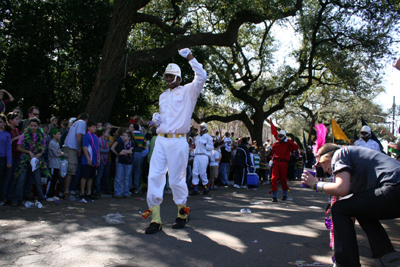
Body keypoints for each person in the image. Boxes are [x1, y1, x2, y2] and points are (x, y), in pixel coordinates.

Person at [302, 144, 400, 267]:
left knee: (339, 208)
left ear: (327, 159)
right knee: (361, 209)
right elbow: (351, 205)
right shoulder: (354, 164)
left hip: (394, 187)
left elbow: (341, 188)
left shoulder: (340, 154)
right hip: (394, 191)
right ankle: (389, 260)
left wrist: (316, 185)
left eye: (322, 166)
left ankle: (345, 264)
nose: (327, 171)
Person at [143, 48, 207, 234]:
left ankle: (181, 213)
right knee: (154, 176)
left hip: (179, 141)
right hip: (161, 140)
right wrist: (158, 120)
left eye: (172, 76)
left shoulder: (189, 91)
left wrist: (189, 56)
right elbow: (166, 118)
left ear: (179, 77)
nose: (168, 79)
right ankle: (155, 218)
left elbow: (201, 76)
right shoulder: (163, 95)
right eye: (166, 77)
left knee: (176, 180)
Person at [13, 118, 51, 206]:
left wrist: (39, 154)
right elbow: (18, 147)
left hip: (36, 160)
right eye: (31, 126)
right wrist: (28, 152)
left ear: (38, 126)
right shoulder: (25, 134)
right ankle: (17, 199)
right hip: (25, 160)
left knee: (37, 180)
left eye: (35, 126)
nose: (33, 127)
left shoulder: (41, 136)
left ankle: (41, 198)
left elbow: (42, 149)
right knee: (21, 180)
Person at [62, 113, 88, 200]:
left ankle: (66, 190)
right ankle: (66, 192)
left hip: (68, 147)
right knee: (70, 169)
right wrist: (80, 148)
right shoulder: (82, 123)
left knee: (69, 169)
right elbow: (78, 135)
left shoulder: (75, 123)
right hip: (72, 148)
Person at [270, 130, 299, 202]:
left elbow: (296, 147)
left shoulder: (288, 144)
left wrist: (288, 141)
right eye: (279, 136)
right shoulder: (275, 145)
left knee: (283, 179)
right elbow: (272, 154)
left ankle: (284, 194)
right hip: (276, 162)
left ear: (284, 136)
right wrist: (271, 160)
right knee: (273, 179)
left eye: (282, 136)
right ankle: (274, 196)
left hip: (284, 163)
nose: (280, 137)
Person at [79, 121, 99, 202]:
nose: (94, 128)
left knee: (91, 177)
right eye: (93, 127)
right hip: (87, 160)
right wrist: (88, 158)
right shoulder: (87, 137)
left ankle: (89, 193)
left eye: (95, 127)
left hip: (94, 160)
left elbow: (97, 148)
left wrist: (98, 158)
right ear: (88, 128)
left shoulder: (96, 136)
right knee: (84, 176)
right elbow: (85, 148)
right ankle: (82, 193)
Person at [191, 123, 213, 195]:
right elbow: (196, 147)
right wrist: (193, 152)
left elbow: (210, 147)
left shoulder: (208, 137)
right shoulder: (197, 137)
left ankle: (206, 186)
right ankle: (195, 188)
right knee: (194, 172)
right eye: (200, 127)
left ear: (205, 128)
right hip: (197, 155)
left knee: (202, 172)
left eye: (202, 127)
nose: (201, 129)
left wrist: (205, 144)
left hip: (204, 155)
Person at [113, 131, 135, 199]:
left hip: (128, 163)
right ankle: (118, 192)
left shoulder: (132, 143)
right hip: (121, 162)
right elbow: (119, 152)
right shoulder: (121, 143)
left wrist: (125, 151)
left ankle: (126, 192)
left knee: (126, 178)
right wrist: (128, 151)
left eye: (125, 136)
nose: (123, 137)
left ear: (129, 137)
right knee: (119, 177)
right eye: (123, 136)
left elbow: (132, 152)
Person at [46, 128, 64, 202]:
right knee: (51, 180)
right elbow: (56, 154)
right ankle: (48, 194)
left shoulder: (57, 143)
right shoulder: (52, 143)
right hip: (53, 164)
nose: (60, 135)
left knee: (55, 180)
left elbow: (59, 152)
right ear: (53, 135)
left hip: (57, 164)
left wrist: (60, 153)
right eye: (58, 134)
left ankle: (53, 194)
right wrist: (61, 153)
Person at [94, 127, 111, 196]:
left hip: (105, 159)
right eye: (107, 132)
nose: (108, 134)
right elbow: (99, 149)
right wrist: (104, 151)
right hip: (100, 159)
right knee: (99, 175)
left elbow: (107, 149)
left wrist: (104, 151)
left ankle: (103, 189)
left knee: (105, 175)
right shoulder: (99, 140)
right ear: (103, 133)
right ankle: (97, 190)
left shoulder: (105, 140)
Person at [0, 114, 12, 206]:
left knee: (3, 180)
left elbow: (8, 148)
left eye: (0, 122)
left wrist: (9, 161)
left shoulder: (7, 134)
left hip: (2, 159)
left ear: (4, 123)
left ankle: (1, 198)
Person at [132, 123, 146, 193]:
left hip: (131, 153)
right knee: (137, 170)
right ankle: (136, 186)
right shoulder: (143, 135)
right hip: (139, 153)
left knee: (129, 170)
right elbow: (144, 147)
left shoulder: (131, 135)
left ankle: (128, 186)